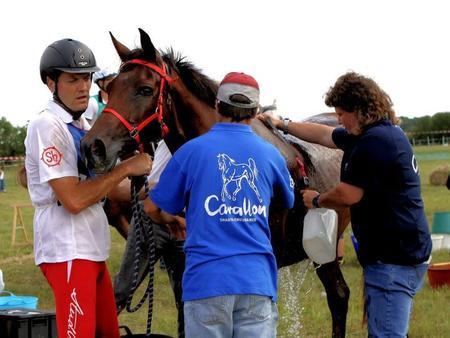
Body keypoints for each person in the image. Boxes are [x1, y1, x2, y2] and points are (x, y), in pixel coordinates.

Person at [260, 71, 432, 337]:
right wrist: (283, 124)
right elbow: (325, 135)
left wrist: (317, 199)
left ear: (361, 109)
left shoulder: (374, 143)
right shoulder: (377, 133)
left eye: (342, 113)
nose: (338, 119)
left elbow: (348, 195)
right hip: (400, 254)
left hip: (393, 261)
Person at [145, 72, 295, 338]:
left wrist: (175, 220)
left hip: (206, 282)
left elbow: (152, 209)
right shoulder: (271, 154)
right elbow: (288, 200)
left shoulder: (190, 152)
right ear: (256, 110)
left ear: (217, 105)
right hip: (256, 282)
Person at [25, 38, 152, 338]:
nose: (84, 86)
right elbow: (73, 198)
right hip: (67, 250)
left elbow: (100, 188)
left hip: (91, 248)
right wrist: (125, 168)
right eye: (73, 79)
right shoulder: (46, 125)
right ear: (50, 83)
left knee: (108, 332)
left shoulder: (83, 126)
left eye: (87, 78)